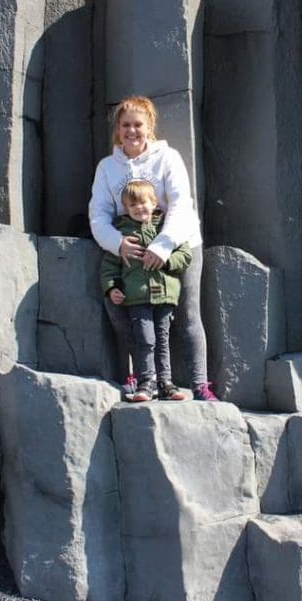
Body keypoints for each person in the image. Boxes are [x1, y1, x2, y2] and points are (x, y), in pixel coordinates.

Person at [89, 95, 219, 401]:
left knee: (187, 315)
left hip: (177, 244)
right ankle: (140, 375)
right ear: (117, 130)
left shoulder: (168, 158)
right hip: (129, 251)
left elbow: (181, 204)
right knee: (123, 311)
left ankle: (200, 384)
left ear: (150, 128)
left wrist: (162, 247)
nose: (132, 131)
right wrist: (116, 243)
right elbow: (99, 214)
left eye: (138, 125)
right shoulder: (107, 168)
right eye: (125, 125)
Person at [101, 180, 191, 402]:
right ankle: (145, 383)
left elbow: (185, 254)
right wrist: (112, 288)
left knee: (162, 339)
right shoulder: (122, 234)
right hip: (137, 296)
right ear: (126, 208)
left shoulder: (165, 228)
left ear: (154, 203)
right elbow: (109, 267)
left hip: (164, 295)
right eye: (133, 206)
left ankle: (166, 383)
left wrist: (167, 260)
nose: (139, 208)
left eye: (143, 203)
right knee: (145, 340)